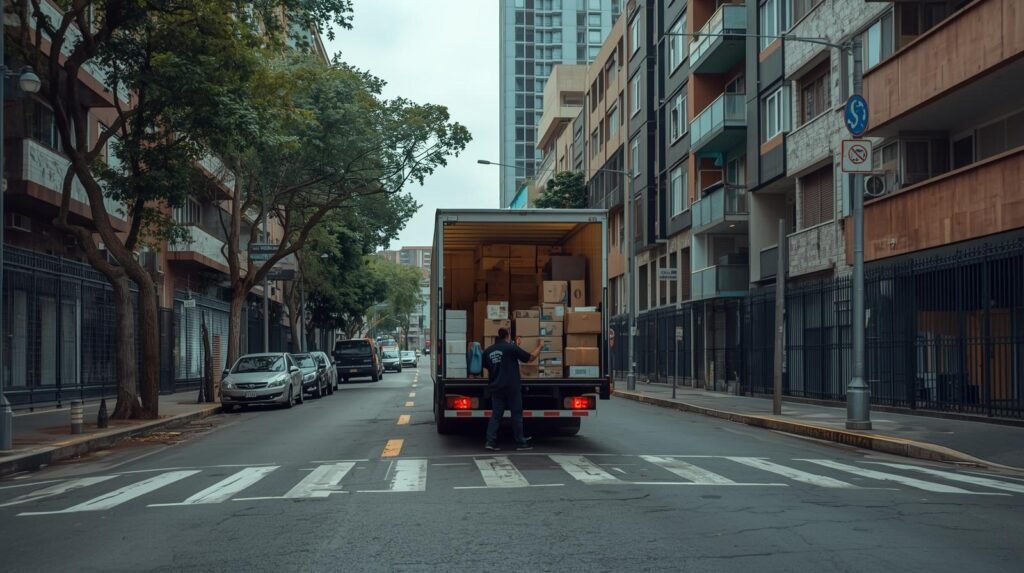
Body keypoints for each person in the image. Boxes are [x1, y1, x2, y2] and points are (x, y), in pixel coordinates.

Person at [482, 327, 542, 451]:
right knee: (516, 415)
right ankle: (521, 443)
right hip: (512, 388)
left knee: (496, 415)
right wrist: (540, 346)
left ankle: (490, 442)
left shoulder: (488, 351)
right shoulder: (511, 348)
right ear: (508, 336)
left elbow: (487, 366)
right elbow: (530, 358)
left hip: (496, 387)